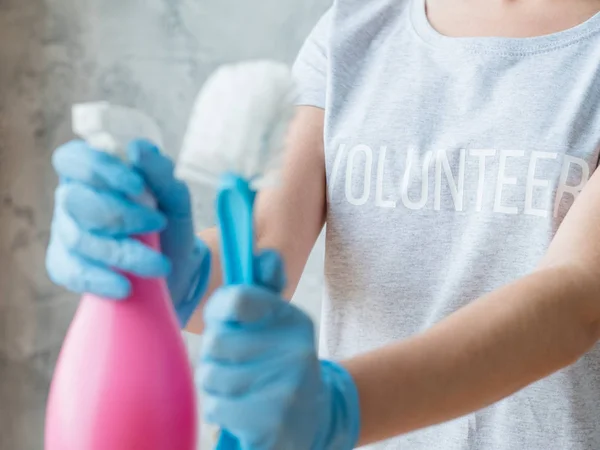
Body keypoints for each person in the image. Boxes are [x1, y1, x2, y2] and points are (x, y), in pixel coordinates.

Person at [46, 0, 600, 449]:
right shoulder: (353, 30)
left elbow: (573, 298)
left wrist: (344, 405)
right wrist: (169, 264)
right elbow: (267, 246)